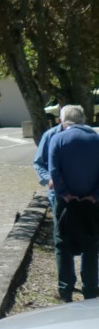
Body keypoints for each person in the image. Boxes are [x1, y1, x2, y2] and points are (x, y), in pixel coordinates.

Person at [48, 104, 99, 301]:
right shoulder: (96, 139)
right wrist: (95, 195)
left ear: (63, 121)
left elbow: (54, 170)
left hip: (65, 202)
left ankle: (66, 290)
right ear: (84, 119)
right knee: (91, 245)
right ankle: (90, 291)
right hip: (91, 202)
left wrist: (65, 193)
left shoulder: (57, 139)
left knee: (63, 244)